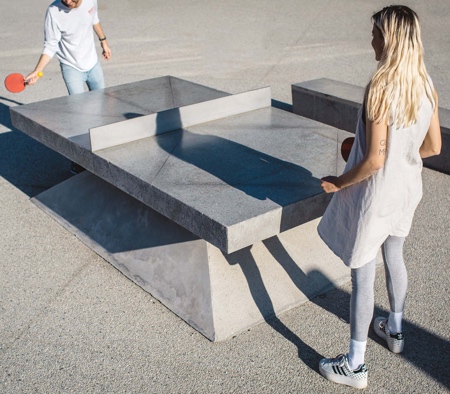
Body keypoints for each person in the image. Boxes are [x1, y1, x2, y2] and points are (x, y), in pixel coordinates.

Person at [316, 5, 441, 389]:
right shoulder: (425, 83)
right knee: (395, 255)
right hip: (407, 189)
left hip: (377, 197)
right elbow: (433, 146)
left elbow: (373, 160)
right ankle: (396, 331)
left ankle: (354, 366)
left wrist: (339, 181)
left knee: (363, 276)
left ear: (389, 39)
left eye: (375, 34)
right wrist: (397, 157)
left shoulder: (381, 86)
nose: (371, 39)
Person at [25, 0, 112, 174]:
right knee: (79, 116)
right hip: (71, 67)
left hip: (93, 64)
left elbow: (94, 18)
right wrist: (37, 71)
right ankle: (78, 159)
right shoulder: (53, 12)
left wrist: (103, 41)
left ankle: (104, 150)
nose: (68, 2)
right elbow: (50, 45)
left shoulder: (89, 1)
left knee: (103, 109)